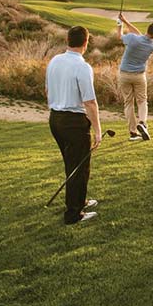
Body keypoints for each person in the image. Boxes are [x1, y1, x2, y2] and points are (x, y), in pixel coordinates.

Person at [46, 26, 104, 225]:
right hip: (73, 123)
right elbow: (90, 102)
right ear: (86, 44)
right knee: (79, 168)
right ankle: (73, 214)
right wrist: (98, 131)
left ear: (68, 41)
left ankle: (79, 201)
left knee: (72, 165)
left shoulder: (54, 61)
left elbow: (47, 90)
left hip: (55, 120)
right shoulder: (83, 67)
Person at [117, 13, 153, 141]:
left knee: (128, 103)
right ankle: (142, 123)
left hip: (124, 75)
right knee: (142, 101)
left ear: (148, 30)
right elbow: (140, 36)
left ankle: (133, 132)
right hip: (139, 76)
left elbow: (119, 36)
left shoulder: (132, 39)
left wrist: (119, 24)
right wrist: (126, 21)